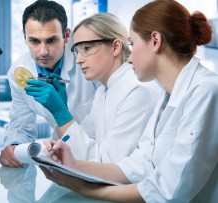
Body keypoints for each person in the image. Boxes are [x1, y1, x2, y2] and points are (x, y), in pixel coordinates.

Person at [40, 0, 218, 202]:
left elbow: (168, 190)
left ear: (155, 41)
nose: (130, 57)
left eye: (132, 44)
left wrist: (85, 189)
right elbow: (141, 165)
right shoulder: (165, 96)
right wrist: (73, 165)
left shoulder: (205, 90)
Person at [25, 12, 158, 163]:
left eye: (87, 48)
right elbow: (86, 138)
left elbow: (107, 164)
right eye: (77, 51)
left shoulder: (137, 91)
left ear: (115, 47)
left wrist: (60, 112)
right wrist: (59, 144)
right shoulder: (103, 90)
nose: (78, 60)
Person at [0, 0, 97, 167]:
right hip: (63, 159)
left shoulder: (90, 59)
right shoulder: (19, 71)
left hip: (100, 154)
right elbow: (21, 125)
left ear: (67, 36)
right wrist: (14, 147)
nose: (43, 51)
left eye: (51, 40)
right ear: (25, 38)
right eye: (34, 41)